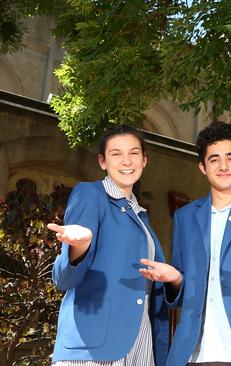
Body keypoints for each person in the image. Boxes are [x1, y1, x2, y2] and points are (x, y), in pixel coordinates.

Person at [138, 121, 231, 366]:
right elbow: (180, 296)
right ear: (202, 166)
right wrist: (176, 281)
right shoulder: (185, 217)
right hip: (195, 354)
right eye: (214, 159)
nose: (223, 166)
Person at [48, 125, 169, 365]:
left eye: (134, 153)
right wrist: (78, 247)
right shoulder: (90, 194)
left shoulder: (140, 214)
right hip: (94, 342)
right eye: (116, 153)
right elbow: (63, 279)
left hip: (138, 338)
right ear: (103, 161)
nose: (126, 161)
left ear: (144, 160)